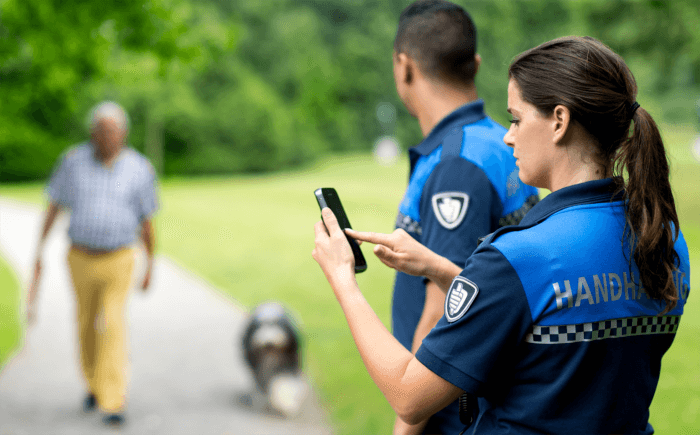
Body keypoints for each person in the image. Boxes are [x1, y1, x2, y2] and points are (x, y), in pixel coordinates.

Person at [313, 36, 691, 434]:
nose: (508, 136)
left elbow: (410, 397)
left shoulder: (517, 257)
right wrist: (441, 268)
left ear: (559, 121)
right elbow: (554, 312)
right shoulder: (663, 239)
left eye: (516, 118)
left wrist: (343, 279)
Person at [386, 2, 538, 432]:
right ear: (474, 64)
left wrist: (405, 425)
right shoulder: (498, 140)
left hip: (450, 412)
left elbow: (441, 309)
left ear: (404, 66)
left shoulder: (456, 164)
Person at [27, 101, 158, 427]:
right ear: (92, 133)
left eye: (114, 131)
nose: (108, 137)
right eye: (102, 131)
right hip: (80, 257)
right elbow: (53, 206)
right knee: (86, 322)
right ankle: (93, 383)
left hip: (120, 257)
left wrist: (150, 264)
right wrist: (39, 251)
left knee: (112, 324)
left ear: (124, 134)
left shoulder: (140, 168)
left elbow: (147, 222)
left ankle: (113, 399)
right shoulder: (72, 161)